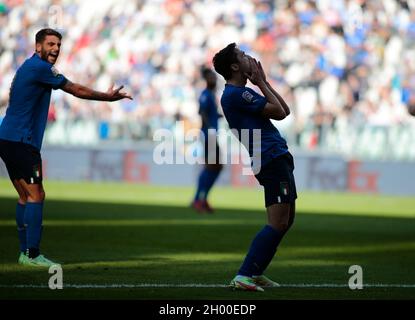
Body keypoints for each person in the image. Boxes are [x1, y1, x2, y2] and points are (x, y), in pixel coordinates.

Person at [0, 28, 132, 267]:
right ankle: (32, 254)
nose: (55, 49)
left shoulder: (29, 67)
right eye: (50, 44)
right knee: (37, 195)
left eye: (58, 45)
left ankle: (23, 252)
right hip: (22, 140)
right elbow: (75, 89)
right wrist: (108, 97)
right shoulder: (41, 68)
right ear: (38, 46)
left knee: (24, 196)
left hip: (7, 138)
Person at [212, 43, 296, 291]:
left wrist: (264, 83)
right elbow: (279, 113)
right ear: (236, 66)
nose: (249, 57)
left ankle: (255, 272)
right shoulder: (237, 94)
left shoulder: (240, 94)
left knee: (286, 220)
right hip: (269, 157)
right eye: (242, 55)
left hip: (275, 156)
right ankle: (245, 274)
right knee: (278, 222)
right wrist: (260, 83)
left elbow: (285, 110)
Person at [191, 67, 223, 213]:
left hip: (211, 134)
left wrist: (217, 116)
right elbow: (202, 112)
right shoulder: (205, 94)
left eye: (215, 77)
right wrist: (210, 128)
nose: (214, 80)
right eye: (211, 78)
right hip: (208, 134)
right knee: (211, 167)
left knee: (216, 167)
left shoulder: (210, 94)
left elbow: (208, 113)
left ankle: (201, 198)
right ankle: (199, 199)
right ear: (207, 80)